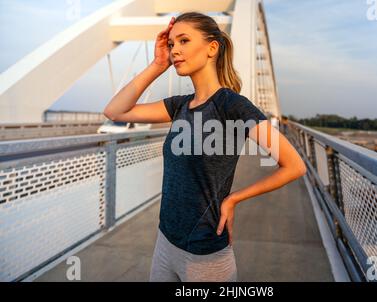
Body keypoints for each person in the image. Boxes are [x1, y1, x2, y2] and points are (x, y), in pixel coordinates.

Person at [103, 12, 307, 282]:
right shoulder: (179, 106)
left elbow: (294, 165)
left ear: (212, 48)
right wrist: (157, 64)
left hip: (205, 256)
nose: (175, 49)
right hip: (165, 242)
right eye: (172, 43)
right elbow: (115, 111)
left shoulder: (231, 105)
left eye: (184, 41)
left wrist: (234, 199)